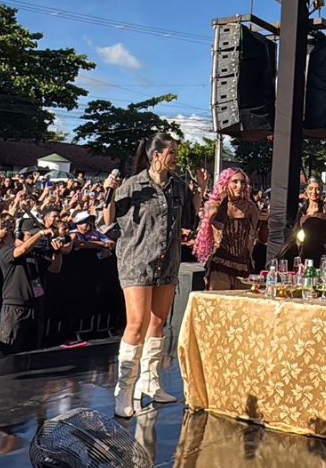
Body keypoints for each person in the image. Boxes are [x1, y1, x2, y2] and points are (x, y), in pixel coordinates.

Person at [102, 133, 203, 418]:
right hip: (137, 262)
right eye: (172, 153)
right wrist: (108, 192)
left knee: (158, 323)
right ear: (156, 155)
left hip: (167, 264)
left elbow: (189, 223)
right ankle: (124, 390)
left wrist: (199, 193)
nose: (176, 158)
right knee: (137, 323)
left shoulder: (178, 187)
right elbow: (106, 223)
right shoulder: (133, 186)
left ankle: (150, 381)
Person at [0, 216, 64, 354]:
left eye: (35, 234)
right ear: (20, 234)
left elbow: (55, 269)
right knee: (9, 349)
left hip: (35, 306)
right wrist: (40, 234)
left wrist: (57, 252)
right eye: (30, 234)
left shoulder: (37, 253)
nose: (34, 237)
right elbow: (20, 251)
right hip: (16, 307)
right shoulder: (6, 250)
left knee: (33, 350)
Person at [193, 168, 267, 291]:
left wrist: (265, 221)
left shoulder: (249, 208)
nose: (240, 186)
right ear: (226, 184)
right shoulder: (215, 206)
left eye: (242, 182)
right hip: (220, 266)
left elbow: (263, 239)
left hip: (243, 266)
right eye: (235, 182)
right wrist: (224, 201)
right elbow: (218, 225)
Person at [280, 177, 326, 266]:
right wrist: (280, 255)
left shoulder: (325, 208)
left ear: (321, 191)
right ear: (306, 190)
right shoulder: (302, 210)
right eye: (311, 188)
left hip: (323, 255)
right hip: (306, 255)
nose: (314, 192)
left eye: (317, 189)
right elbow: (293, 235)